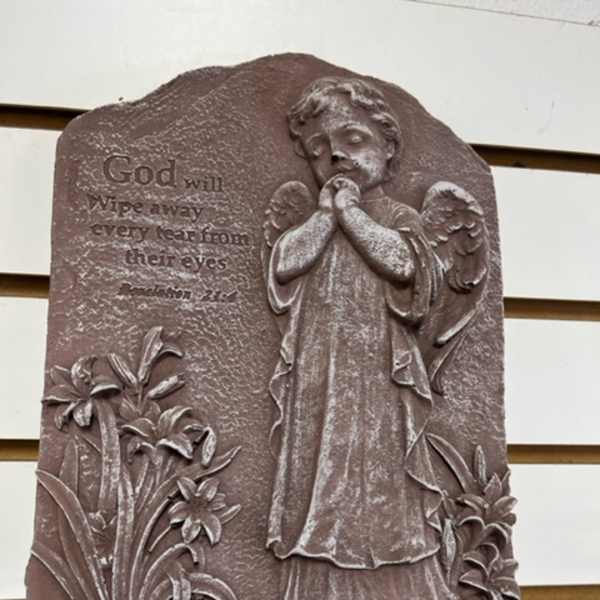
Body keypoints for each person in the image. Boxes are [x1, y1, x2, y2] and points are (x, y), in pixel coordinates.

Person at [264, 77, 453, 600]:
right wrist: (326, 215)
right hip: (319, 371)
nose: (335, 157)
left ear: (388, 148)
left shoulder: (396, 217)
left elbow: (402, 264)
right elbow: (285, 262)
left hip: (377, 377)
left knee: (377, 475)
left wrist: (350, 213)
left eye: (353, 140)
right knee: (319, 471)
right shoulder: (316, 221)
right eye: (318, 150)